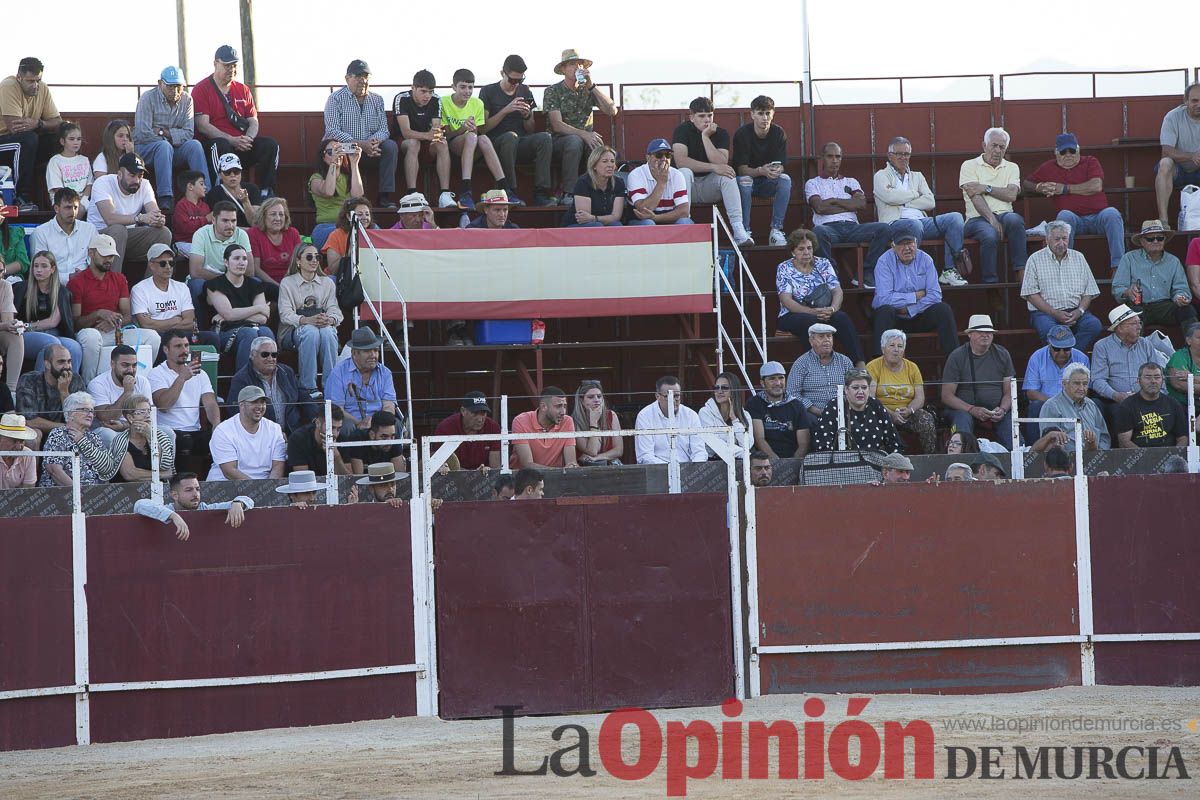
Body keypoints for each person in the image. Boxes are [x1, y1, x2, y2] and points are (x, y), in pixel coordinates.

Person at [874, 135, 969, 285]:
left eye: (906, 154)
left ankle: (949, 270)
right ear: (890, 156)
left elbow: (930, 202)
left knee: (955, 218)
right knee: (914, 225)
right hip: (894, 223)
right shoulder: (881, 175)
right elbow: (888, 197)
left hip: (922, 222)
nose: (903, 157)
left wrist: (904, 202)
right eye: (899, 154)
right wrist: (914, 194)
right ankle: (912, 274)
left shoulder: (917, 176)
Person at [1024, 132, 1125, 269]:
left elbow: (1096, 186)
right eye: (1063, 151)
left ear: (1078, 150)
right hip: (1073, 221)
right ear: (1056, 153)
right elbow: (1026, 184)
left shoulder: (1090, 161)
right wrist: (1039, 187)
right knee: (1064, 216)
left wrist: (1064, 189)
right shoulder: (1049, 167)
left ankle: (1118, 268)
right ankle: (1065, 268)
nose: (1068, 155)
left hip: (1099, 217)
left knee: (1112, 214)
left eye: (1071, 150)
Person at [69, 234, 161, 383]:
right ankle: (88, 384)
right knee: (91, 337)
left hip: (115, 331)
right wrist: (98, 314)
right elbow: (75, 322)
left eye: (111, 256)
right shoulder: (77, 282)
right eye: (104, 255)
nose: (109, 260)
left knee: (153, 337)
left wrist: (113, 322)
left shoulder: (119, 279)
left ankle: (143, 384)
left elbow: (127, 316)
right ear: (91, 253)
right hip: (91, 332)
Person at [192, 45, 279, 195]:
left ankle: (266, 192)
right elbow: (203, 126)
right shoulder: (201, 89)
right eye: (226, 65)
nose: (231, 69)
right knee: (220, 145)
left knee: (270, 145)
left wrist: (248, 139)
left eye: (234, 65)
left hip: (242, 144)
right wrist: (232, 140)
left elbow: (253, 120)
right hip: (218, 145)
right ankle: (218, 191)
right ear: (215, 64)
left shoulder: (243, 89)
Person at [805, 142, 890, 288]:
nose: (834, 160)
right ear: (822, 158)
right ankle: (831, 276)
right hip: (828, 229)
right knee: (817, 232)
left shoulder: (851, 181)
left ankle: (866, 274)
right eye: (830, 156)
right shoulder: (813, 183)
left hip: (852, 228)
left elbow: (861, 204)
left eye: (838, 156)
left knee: (884, 229)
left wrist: (833, 201)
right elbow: (819, 207)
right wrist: (848, 204)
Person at [775, 228, 864, 364]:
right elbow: (786, 300)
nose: (806, 252)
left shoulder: (823, 263)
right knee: (810, 323)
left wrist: (832, 309)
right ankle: (815, 365)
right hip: (792, 314)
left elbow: (837, 291)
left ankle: (859, 364)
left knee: (842, 318)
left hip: (824, 311)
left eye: (809, 248)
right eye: (801, 249)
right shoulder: (784, 268)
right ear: (793, 251)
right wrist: (812, 312)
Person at [673, 97, 751, 245]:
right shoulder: (682, 130)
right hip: (688, 187)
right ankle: (685, 220)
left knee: (728, 175)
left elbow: (722, 162)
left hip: (710, 186)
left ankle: (738, 230)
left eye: (710, 115)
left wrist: (705, 137)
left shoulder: (720, 133)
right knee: (684, 172)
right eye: (701, 116)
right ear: (692, 117)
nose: (707, 120)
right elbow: (681, 161)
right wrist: (713, 167)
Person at [543, 49, 617, 203]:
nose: (577, 67)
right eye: (571, 64)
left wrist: (592, 86)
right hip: (559, 142)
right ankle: (568, 193)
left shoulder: (588, 90)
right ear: (563, 69)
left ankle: (597, 192)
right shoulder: (552, 91)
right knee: (574, 141)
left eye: (579, 64)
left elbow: (612, 110)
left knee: (598, 146)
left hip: (586, 140)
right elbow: (557, 125)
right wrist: (583, 134)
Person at [480, 55, 555, 208]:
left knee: (545, 138)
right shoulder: (487, 91)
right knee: (510, 137)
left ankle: (541, 193)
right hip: (497, 144)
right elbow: (483, 128)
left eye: (520, 80)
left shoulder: (525, 90)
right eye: (512, 80)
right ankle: (510, 191)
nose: (516, 84)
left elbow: (531, 128)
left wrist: (527, 115)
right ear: (502, 73)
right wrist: (505, 110)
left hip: (520, 142)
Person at [324, 60, 398, 209]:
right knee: (332, 147)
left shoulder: (377, 100)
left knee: (391, 146)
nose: (363, 80)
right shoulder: (335, 98)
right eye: (358, 76)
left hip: (371, 150)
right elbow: (332, 130)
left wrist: (371, 143)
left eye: (366, 77)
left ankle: (384, 197)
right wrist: (359, 144)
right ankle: (340, 198)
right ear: (347, 78)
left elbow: (384, 130)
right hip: (345, 149)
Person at [871, 230, 960, 356]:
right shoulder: (884, 261)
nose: (907, 248)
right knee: (885, 311)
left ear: (916, 243)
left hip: (919, 314)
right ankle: (878, 365)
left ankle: (955, 362)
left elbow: (935, 295)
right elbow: (884, 298)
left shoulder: (926, 259)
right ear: (893, 246)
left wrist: (909, 309)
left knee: (943, 309)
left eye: (910, 243)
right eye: (902, 244)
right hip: (894, 317)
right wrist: (915, 296)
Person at [133, 66, 208, 213]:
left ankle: (206, 191)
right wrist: (168, 139)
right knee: (163, 147)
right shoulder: (147, 98)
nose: (175, 91)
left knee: (195, 145)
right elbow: (143, 133)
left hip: (171, 150)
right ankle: (165, 197)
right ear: (160, 83)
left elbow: (189, 133)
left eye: (178, 87)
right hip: (145, 151)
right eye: (171, 86)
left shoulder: (187, 100)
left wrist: (163, 132)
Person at [1020, 219, 1103, 349]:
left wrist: (1080, 311)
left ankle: (1070, 356)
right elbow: (1031, 294)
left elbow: (1089, 291)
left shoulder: (1079, 257)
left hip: (1076, 311)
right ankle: (1066, 360)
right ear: (1047, 240)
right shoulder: (1035, 259)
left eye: (1064, 238)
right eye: (1057, 239)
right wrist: (1054, 313)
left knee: (1094, 325)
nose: (1061, 243)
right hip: (1045, 313)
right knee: (1050, 330)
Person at [959, 127, 1027, 283]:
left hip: (1005, 215)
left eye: (1002, 147)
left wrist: (986, 188)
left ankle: (1021, 272)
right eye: (994, 145)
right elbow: (975, 196)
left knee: (1016, 221)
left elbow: (1011, 195)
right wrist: (991, 219)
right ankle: (991, 285)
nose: (997, 150)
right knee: (990, 235)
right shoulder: (969, 165)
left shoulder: (1012, 167)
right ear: (984, 146)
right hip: (976, 218)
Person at [940, 315, 1016, 450]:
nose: (985, 335)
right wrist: (971, 409)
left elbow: (1009, 391)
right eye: (980, 332)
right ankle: (963, 462)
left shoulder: (1003, 354)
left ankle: (1017, 463)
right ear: (969, 334)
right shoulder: (957, 356)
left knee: (1014, 434)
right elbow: (947, 396)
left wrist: (1003, 409)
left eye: (989, 332)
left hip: (996, 411)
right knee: (961, 422)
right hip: (964, 410)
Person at [89, 153, 172, 274]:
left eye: (140, 175)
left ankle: (151, 287)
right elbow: (110, 219)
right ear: (120, 174)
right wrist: (140, 218)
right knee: (118, 229)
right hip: (100, 238)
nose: (137, 180)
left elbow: (154, 212)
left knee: (164, 233)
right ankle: (114, 284)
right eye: (132, 175)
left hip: (128, 237)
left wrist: (158, 219)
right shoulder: (103, 183)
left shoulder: (145, 185)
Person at [279, 242, 341, 399]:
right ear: (298, 261)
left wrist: (330, 319)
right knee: (310, 331)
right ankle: (308, 387)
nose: (314, 260)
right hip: (291, 332)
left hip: (321, 328)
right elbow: (285, 315)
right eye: (309, 257)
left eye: (317, 257)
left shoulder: (327, 283)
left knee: (328, 332)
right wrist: (307, 320)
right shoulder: (287, 283)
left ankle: (331, 385)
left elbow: (335, 310)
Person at [1112, 220, 1196, 334]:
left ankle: (1194, 347)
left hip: (1165, 306)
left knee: (1187, 310)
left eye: (1160, 238)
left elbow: (1181, 288)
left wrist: (1180, 297)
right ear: (1142, 241)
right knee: (1132, 315)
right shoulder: (1129, 258)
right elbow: (1117, 288)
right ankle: (1136, 350)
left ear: (1164, 240)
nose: (1156, 241)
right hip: (1139, 306)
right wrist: (1127, 292)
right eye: (1150, 239)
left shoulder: (1173, 261)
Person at [0, 57, 62, 211]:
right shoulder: (8, 86)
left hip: (25, 142)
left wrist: (38, 123)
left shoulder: (43, 88)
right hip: (3, 142)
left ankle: (59, 199)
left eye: (38, 80)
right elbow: (15, 128)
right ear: (19, 77)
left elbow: (58, 121)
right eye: (30, 81)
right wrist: (39, 126)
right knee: (27, 140)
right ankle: (22, 198)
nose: (35, 85)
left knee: (60, 140)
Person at [440, 68, 507, 210]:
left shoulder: (477, 103)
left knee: (483, 138)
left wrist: (472, 129)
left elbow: (479, 131)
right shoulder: (443, 102)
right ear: (453, 87)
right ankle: (466, 190)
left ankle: (504, 187)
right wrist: (463, 128)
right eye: (463, 87)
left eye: (470, 87)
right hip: (454, 144)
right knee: (471, 137)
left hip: (473, 145)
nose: (467, 91)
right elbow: (446, 135)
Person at [1090, 305, 1171, 416]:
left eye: (1140, 323)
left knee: (1173, 406)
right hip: (1115, 401)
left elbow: (1158, 374)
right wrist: (1116, 395)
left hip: (1147, 397)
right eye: (1134, 324)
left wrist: (1158, 394)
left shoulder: (1145, 344)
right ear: (1119, 328)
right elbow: (1097, 380)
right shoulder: (1102, 346)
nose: (1139, 327)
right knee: (1123, 412)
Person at [732, 95, 791, 247]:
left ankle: (776, 230)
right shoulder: (742, 134)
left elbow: (782, 164)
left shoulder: (779, 133)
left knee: (785, 179)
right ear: (752, 114)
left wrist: (776, 170)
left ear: (773, 114)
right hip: (747, 183)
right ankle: (744, 231)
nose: (765, 118)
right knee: (744, 181)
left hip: (768, 182)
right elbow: (741, 169)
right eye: (760, 113)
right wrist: (760, 171)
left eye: (768, 113)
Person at [132, 243, 216, 347]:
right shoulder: (139, 289)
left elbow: (190, 322)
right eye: (163, 263)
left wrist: (159, 323)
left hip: (181, 335)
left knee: (212, 338)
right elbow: (146, 325)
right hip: (158, 337)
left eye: (171, 263)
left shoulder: (182, 287)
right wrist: (176, 320)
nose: (168, 267)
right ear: (151, 265)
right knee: (155, 338)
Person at [149, 329, 221, 451]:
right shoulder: (156, 374)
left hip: (195, 430)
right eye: (178, 346)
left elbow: (210, 403)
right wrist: (182, 378)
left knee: (220, 440)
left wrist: (216, 425)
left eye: (186, 345)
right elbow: (164, 406)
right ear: (166, 350)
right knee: (185, 441)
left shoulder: (200, 374)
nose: (184, 350)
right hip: (169, 433)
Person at [867, 329, 938, 454]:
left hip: (907, 413)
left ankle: (930, 457)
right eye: (892, 345)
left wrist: (910, 410)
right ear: (883, 349)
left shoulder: (912, 367)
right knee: (873, 421)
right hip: (881, 412)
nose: (896, 349)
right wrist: (890, 414)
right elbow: (871, 398)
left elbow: (920, 397)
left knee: (926, 419)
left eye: (900, 346)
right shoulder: (873, 367)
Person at [392, 70, 453, 208]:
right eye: (423, 91)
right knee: (414, 143)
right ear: (413, 88)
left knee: (442, 144)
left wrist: (437, 135)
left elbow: (436, 128)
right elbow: (406, 132)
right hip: (402, 142)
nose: (428, 96)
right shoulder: (401, 98)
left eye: (430, 92)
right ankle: (412, 193)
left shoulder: (436, 100)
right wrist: (427, 135)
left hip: (426, 143)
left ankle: (445, 194)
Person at [206, 243, 272, 371]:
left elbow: (263, 318)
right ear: (226, 262)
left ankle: (267, 378)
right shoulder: (214, 284)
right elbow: (229, 314)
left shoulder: (255, 284)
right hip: (224, 332)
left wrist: (231, 316)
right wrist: (258, 308)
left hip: (252, 329)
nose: (241, 262)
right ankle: (243, 383)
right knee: (249, 333)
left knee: (266, 332)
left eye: (244, 259)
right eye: (236, 258)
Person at [134, 472, 253, 541]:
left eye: (197, 489)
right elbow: (139, 504)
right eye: (189, 490)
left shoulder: (205, 509)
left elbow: (249, 500)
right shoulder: (167, 510)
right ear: (175, 495)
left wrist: (237, 503)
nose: (195, 494)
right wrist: (174, 516)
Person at [1022, 324, 1089, 444]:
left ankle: (1091, 447)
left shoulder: (1081, 357)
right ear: (1049, 345)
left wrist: (1067, 403)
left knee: (1095, 404)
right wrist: (1056, 403)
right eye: (1057, 349)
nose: (1062, 353)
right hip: (1045, 403)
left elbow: (1087, 388)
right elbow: (1031, 393)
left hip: (1075, 402)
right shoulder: (1037, 357)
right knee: (1035, 407)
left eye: (1067, 349)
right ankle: (1033, 450)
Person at [228, 336, 310, 433]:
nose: (270, 358)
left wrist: (316, 419)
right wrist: (272, 435)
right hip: (261, 436)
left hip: (292, 433)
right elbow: (236, 411)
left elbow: (304, 397)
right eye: (265, 354)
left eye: (274, 355)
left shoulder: (286, 372)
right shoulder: (241, 379)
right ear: (252, 355)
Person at [38, 391, 120, 487]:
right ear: (70, 413)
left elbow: (106, 469)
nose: (90, 414)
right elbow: (54, 470)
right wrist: (79, 493)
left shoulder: (93, 437)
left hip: (94, 494)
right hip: (63, 493)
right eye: (85, 410)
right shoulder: (59, 434)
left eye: (92, 411)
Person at [811, 368, 903, 453]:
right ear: (846, 389)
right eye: (855, 388)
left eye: (864, 387)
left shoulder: (875, 405)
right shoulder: (834, 405)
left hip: (873, 464)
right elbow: (822, 444)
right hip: (841, 466)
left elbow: (894, 442)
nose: (860, 392)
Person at [207, 385, 287, 481]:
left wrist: (269, 489)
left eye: (263, 402)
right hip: (226, 485)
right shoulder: (223, 431)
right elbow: (229, 471)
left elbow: (278, 466)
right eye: (254, 402)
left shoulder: (274, 429)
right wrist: (256, 490)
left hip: (264, 486)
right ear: (241, 405)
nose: (260, 406)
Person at [325, 327, 397, 430]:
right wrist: (359, 423)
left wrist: (373, 421)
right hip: (351, 423)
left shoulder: (385, 373)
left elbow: (389, 406)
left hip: (378, 423)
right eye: (367, 351)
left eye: (376, 350)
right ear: (354, 353)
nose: (373, 355)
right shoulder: (338, 373)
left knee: (396, 426)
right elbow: (336, 409)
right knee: (345, 427)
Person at [86, 344, 152, 448]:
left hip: (135, 427)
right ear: (113, 364)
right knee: (108, 434)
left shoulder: (142, 382)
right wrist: (127, 393)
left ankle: (159, 464)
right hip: (107, 430)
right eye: (125, 365)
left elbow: (149, 416)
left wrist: (125, 426)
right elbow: (106, 419)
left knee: (167, 432)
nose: (131, 370)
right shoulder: (98, 384)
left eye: (134, 365)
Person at [785, 322, 855, 417]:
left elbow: (854, 387)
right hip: (811, 414)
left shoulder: (845, 361)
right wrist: (815, 410)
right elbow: (792, 393)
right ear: (811, 341)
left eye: (829, 336)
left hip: (843, 412)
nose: (827, 340)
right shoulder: (801, 363)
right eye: (821, 337)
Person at [633, 376, 708, 465]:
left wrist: (693, 470)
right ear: (657, 396)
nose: (672, 400)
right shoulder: (644, 416)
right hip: (657, 472)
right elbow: (645, 456)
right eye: (667, 396)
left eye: (676, 396)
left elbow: (699, 452)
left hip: (688, 472)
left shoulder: (691, 415)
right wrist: (671, 469)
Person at [1154, 83, 1200, 227]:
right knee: (1165, 163)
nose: (1199, 104)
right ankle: (1163, 221)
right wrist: (1191, 156)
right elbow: (1166, 151)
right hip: (1178, 171)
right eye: (1194, 101)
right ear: (1185, 101)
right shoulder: (1172, 117)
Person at [15, 344, 83, 438]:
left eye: (69, 361)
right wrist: (64, 427)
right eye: (61, 362)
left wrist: (64, 392)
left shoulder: (76, 380)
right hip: (41, 434)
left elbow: (78, 418)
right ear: (47, 364)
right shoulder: (29, 380)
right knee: (35, 434)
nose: (67, 366)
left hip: (67, 436)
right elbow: (30, 420)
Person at [1038, 362, 1110, 452]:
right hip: (1065, 462)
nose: (1081, 388)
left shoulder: (1091, 405)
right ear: (1064, 384)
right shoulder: (1052, 406)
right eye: (1076, 383)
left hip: (1095, 459)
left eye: (1085, 384)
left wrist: (1098, 455)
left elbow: (1104, 437)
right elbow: (1050, 443)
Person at [1115, 362, 1189, 449]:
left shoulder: (1173, 404)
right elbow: (1124, 441)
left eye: (1157, 377)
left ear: (1162, 380)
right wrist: (1146, 458)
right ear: (1138, 380)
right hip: (1139, 458)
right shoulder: (1127, 405)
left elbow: (1183, 438)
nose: (1153, 381)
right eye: (1148, 377)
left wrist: (1174, 457)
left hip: (1170, 457)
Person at [31, 188, 97, 284]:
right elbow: (39, 270)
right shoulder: (41, 233)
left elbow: (95, 262)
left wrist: (85, 275)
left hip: (86, 285)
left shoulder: (90, 229)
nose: (73, 212)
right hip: (54, 287)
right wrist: (69, 278)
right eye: (68, 207)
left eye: (76, 207)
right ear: (56, 208)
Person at [745, 361, 810, 460]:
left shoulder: (797, 405)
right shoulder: (754, 404)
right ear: (762, 383)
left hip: (793, 460)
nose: (778, 383)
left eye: (781, 378)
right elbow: (759, 439)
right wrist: (776, 462)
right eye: (772, 379)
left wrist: (792, 463)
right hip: (765, 461)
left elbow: (804, 443)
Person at [308, 139, 365, 249]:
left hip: (348, 226)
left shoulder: (347, 177)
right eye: (331, 152)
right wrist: (333, 163)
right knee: (343, 233)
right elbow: (329, 191)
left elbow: (358, 197)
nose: (336, 154)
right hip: (326, 227)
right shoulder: (315, 178)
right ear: (323, 157)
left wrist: (354, 163)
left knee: (374, 229)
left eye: (339, 150)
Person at [111, 393, 176, 482]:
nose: (147, 415)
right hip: (129, 491)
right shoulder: (121, 440)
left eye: (149, 411)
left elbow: (165, 465)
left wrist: (151, 437)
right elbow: (130, 474)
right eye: (142, 412)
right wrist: (161, 474)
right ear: (130, 418)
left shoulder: (161, 436)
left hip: (159, 489)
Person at [511, 385, 579, 468]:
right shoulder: (521, 421)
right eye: (558, 406)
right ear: (543, 406)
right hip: (524, 478)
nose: (563, 412)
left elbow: (571, 462)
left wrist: (571, 467)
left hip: (555, 478)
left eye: (564, 406)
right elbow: (527, 465)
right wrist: (557, 473)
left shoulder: (567, 421)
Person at [626, 139, 692, 225]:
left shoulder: (677, 175)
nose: (664, 159)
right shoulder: (636, 174)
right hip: (640, 221)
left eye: (668, 155)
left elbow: (684, 212)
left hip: (668, 219)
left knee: (685, 222)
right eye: (659, 155)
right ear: (648, 158)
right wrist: (661, 183)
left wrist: (656, 218)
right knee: (648, 223)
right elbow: (644, 210)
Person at [434, 391, 502, 471]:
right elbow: (441, 465)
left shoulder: (493, 427)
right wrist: (473, 474)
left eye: (483, 413)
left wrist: (484, 473)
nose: (480, 419)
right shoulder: (445, 428)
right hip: (453, 479)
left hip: (485, 477)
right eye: (475, 413)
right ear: (463, 411)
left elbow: (495, 467)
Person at [563, 146, 625, 227]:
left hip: (598, 222)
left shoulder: (619, 183)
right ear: (594, 165)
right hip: (576, 225)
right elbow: (584, 218)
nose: (610, 165)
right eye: (605, 161)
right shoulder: (583, 182)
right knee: (596, 226)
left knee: (617, 225)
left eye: (612, 161)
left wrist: (595, 218)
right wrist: (596, 219)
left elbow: (616, 217)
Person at [249, 197, 302, 291]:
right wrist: (277, 286)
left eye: (281, 214)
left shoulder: (293, 233)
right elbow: (256, 269)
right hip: (266, 283)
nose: (278, 218)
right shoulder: (254, 234)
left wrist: (289, 284)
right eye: (273, 214)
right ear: (263, 216)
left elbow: (301, 263)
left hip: (291, 281)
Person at [286, 402, 350, 476]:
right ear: (318, 423)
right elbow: (302, 479)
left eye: (339, 429)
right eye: (331, 428)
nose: (335, 434)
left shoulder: (342, 438)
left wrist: (336, 456)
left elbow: (348, 479)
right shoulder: (298, 439)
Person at [698, 371, 751, 458]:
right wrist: (744, 454)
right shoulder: (705, 412)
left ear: (734, 390)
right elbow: (715, 444)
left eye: (725, 388)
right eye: (716, 387)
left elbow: (747, 445)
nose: (719, 391)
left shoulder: (746, 415)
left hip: (740, 461)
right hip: (714, 461)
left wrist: (735, 419)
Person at [571, 380, 624, 466]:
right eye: (591, 397)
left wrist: (598, 458)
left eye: (599, 396)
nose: (596, 400)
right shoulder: (574, 421)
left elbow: (619, 450)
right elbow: (592, 451)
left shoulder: (611, 415)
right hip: (585, 469)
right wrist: (594, 423)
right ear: (581, 400)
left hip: (610, 467)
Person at [343, 409, 407, 475]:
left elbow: (400, 476)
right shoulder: (357, 439)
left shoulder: (394, 439)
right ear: (372, 435)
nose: (389, 441)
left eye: (392, 436)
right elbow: (358, 477)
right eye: (384, 437)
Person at [45, 122, 92, 208]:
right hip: (63, 200)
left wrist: (84, 200)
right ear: (62, 141)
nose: (76, 142)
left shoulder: (84, 160)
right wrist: (75, 202)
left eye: (79, 139)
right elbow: (57, 188)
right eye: (71, 139)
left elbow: (89, 184)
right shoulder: (55, 161)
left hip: (83, 201)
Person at [206, 153, 259, 228]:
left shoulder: (252, 189)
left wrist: (245, 201)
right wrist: (243, 232)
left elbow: (254, 223)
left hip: (250, 234)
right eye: (227, 172)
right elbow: (218, 224)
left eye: (236, 171)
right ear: (220, 175)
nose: (232, 175)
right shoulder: (214, 193)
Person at [322, 196, 375, 265]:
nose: (365, 217)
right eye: (360, 214)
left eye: (367, 214)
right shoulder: (336, 235)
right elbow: (333, 269)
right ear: (349, 216)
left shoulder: (373, 234)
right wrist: (349, 253)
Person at [172, 171, 210, 253]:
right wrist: (206, 219)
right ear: (190, 186)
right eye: (201, 184)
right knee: (202, 252)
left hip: (201, 243)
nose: (205, 187)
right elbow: (185, 227)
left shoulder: (205, 206)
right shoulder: (181, 206)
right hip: (184, 243)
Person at [0, 413, 38, 489]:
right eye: (14, 441)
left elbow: (28, 492)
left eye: (21, 441)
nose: (19, 446)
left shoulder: (28, 455)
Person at [1166, 321, 1200, 404]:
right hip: (1181, 406)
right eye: (1199, 337)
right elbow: (1178, 385)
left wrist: (1192, 378)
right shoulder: (1179, 357)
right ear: (1188, 340)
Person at [0, 278, 24, 393]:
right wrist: (4, 325)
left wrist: (12, 325)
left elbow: (7, 321)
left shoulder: (4, 286)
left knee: (15, 336)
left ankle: (11, 392)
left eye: (0, 270)